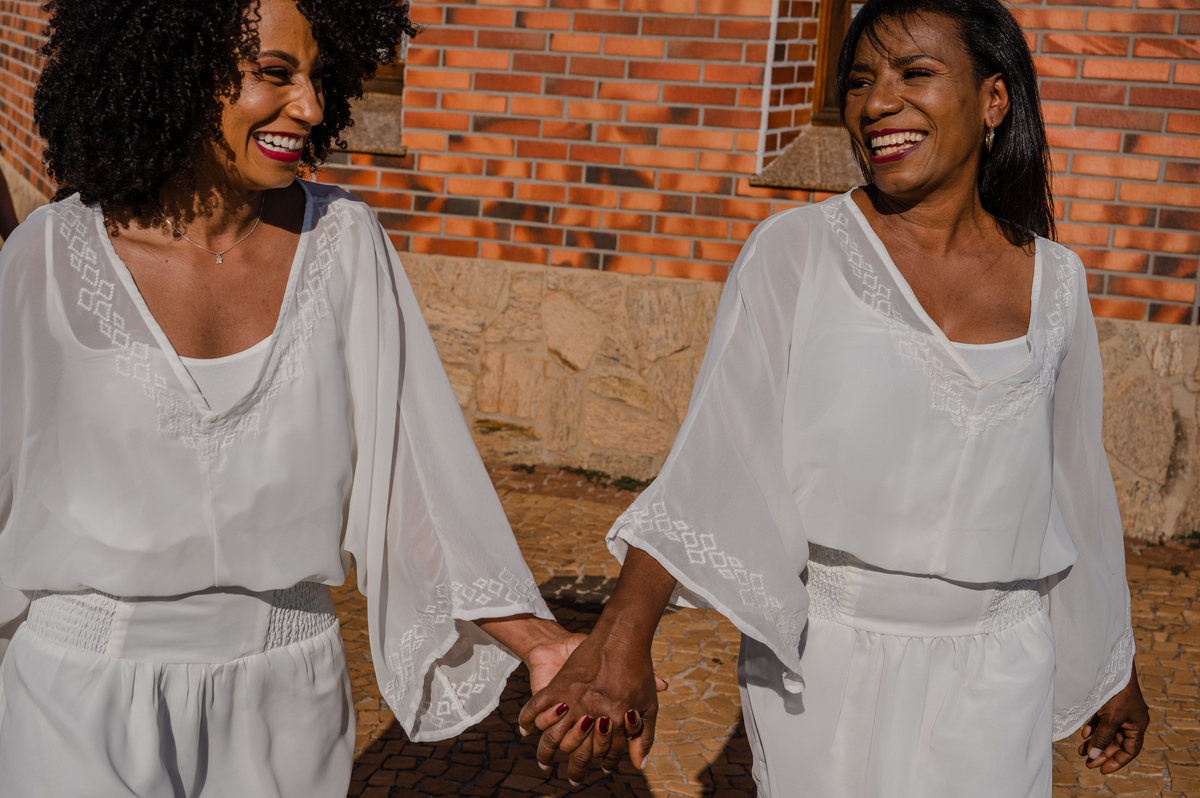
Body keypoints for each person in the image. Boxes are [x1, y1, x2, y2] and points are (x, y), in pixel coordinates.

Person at [520, 1, 1149, 795]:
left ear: (994, 100)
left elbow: (1077, 490)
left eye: (914, 73)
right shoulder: (798, 252)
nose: (878, 103)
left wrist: (1112, 665)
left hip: (1001, 668)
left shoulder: (1057, 284)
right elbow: (716, 454)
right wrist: (621, 638)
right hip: (825, 666)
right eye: (858, 82)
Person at [0, 1, 593, 794]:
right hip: (79, 694)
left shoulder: (344, 242)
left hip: (288, 698)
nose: (309, 108)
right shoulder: (47, 256)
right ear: (177, 68)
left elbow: (411, 479)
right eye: (274, 74)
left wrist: (539, 639)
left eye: (319, 77)